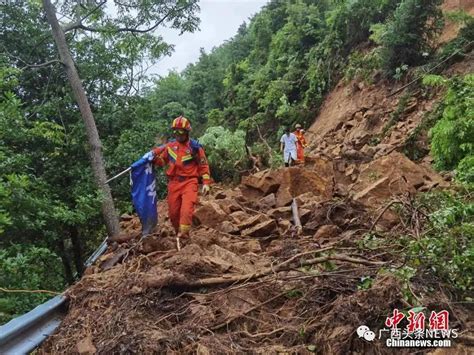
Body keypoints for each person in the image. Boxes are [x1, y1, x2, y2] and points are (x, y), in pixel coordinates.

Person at [142, 116, 211, 240]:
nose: (178, 134)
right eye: (175, 131)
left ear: (187, 132)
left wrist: (206, 182)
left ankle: (184, 237)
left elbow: (203, 165)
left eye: (181, 131)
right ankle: (178, 234)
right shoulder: (170, 146)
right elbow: (163, 161)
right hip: (173, 184)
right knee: (173, 215)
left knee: (186, 212)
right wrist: (153, 158)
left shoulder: (195, 148)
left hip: (190, 182)